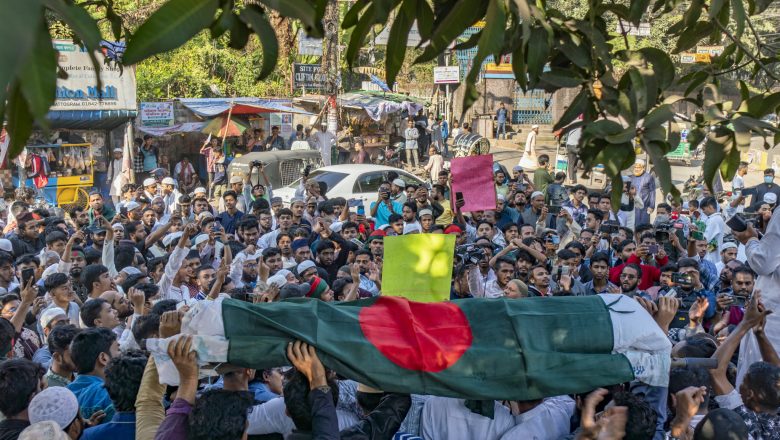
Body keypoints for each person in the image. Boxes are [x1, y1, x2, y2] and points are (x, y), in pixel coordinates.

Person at [67, 327, 121, 423]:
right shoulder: (111, 394)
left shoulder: (64, 394)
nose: (122, 354)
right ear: (103, 358)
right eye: (118, 349)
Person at [630, 160, 656, 226]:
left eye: (638, 167)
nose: (636, 169)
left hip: (644, 207)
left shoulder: (649, 177)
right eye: (635, 167)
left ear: (643, 168)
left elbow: (652, 192)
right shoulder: (632, 177)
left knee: (642, 227)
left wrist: (651, 206)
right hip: (633, 207)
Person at [564, 117, 582, 183]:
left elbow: (566, 134)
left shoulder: (570, 123)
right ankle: (576, 168)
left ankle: (571, 180)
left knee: (571, 163)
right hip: (578, 146)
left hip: (569, 145)